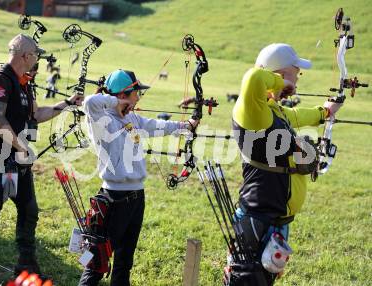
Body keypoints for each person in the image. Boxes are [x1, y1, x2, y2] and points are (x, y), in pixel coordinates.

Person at [0, 34, 82, 286]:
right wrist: (22, 147)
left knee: (29, 211)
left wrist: (66, 104)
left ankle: (25, 265)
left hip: (17, 163)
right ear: (25, 56)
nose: (37, 60)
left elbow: (37, 114)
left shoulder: (24, 84)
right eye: (35, 55)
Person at [227, 43, 342, 285]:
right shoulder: (252, 110)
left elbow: (297, 116)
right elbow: (252, 77)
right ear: (277, 75)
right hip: (258, 218)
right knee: (245, 280)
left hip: (278, 220)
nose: (297, 82)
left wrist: (325, 112)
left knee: (264, 280)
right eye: (294, 75)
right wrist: (282, 83)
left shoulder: (273, 111)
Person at [79, 69, 199, 286]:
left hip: (136, 198)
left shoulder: (132, 117)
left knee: (125, 262)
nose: (138, 98)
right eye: (136, 93)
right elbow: (88, 103)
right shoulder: (101, 120)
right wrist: (115, 101)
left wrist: (185, 126)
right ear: (125, 93)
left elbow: (155, 125)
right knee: (98, 262)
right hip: (114, 198)